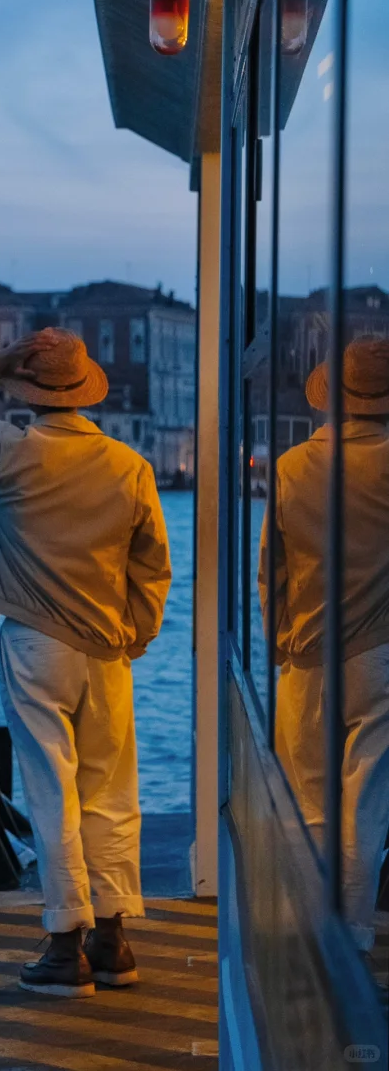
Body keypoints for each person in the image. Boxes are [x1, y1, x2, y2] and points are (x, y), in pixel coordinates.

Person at [0, 327, 171, 999]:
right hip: (107, 648)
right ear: (86, 391)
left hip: (34, 642)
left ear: (27, 394)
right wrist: (136, 634)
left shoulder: (4, 451)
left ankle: (65, 947)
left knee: (49, 789)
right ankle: (113, 940)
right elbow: (153, 568)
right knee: (112, 793)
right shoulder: (130, 465)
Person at [259, 335, 389, 956]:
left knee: (308, 799)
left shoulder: (289, 467)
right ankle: (354, 939)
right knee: (367, 802)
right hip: (381, 654)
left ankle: (314, 940)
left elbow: (270, 572)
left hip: (306, 652)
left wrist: (278, 645)